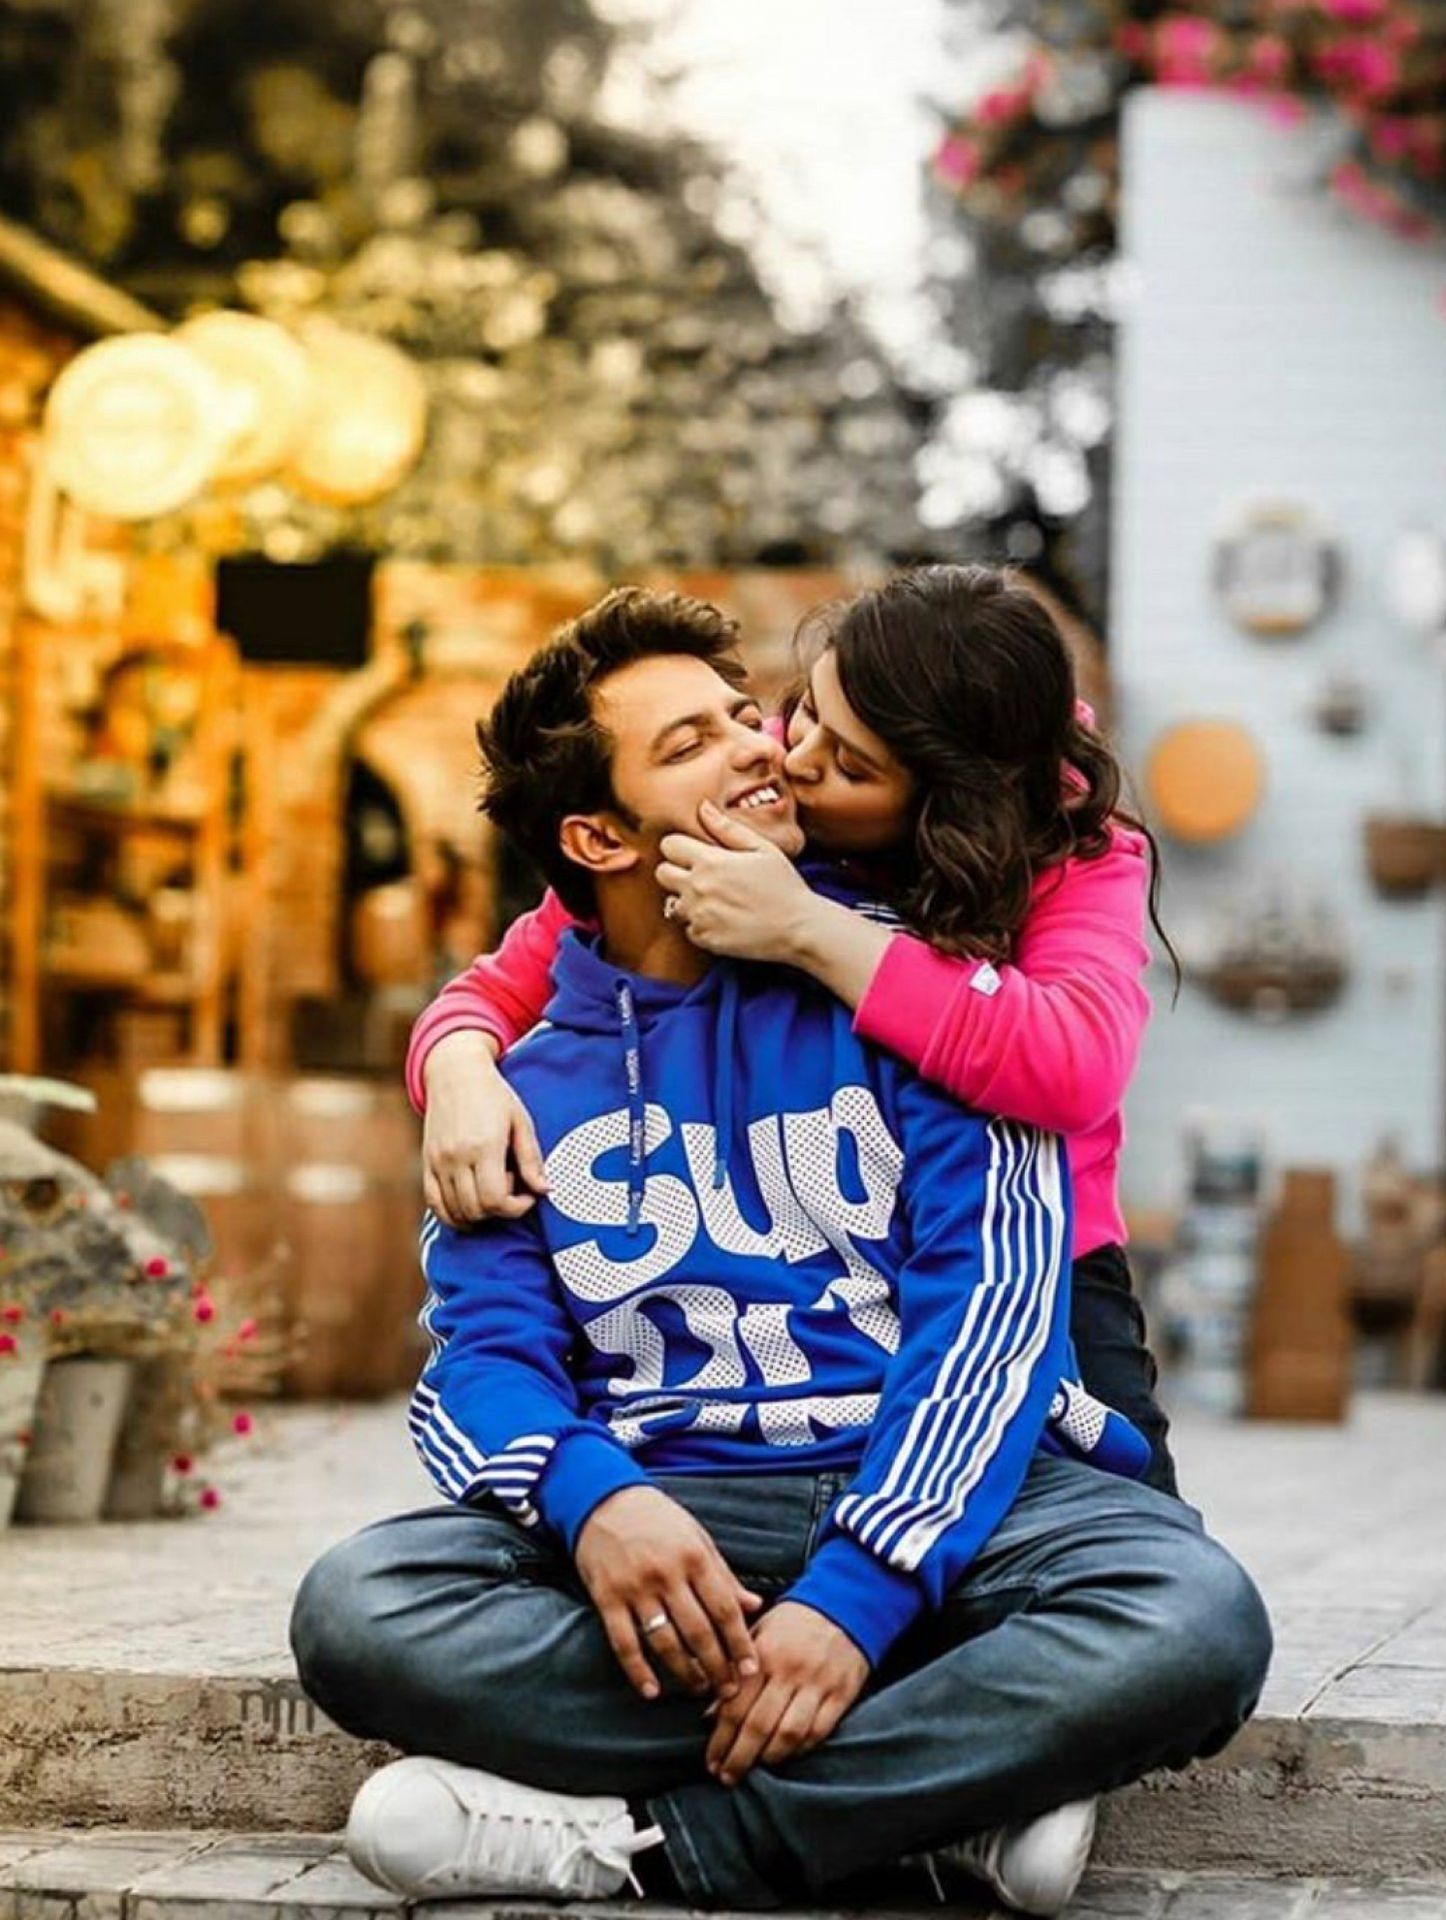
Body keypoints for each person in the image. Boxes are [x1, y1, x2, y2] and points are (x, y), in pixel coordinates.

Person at [292, 588, 1271, 1913]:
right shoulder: (526, 1085)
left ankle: (648, 1845)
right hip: (678, 1493)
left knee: (1189, 1616)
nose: (768, 749)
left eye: (753, 719)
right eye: (698, 740)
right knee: (359, 1610)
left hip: (931, 1456)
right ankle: (941, 1794)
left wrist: (856, 1599)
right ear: (600, 835)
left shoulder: (936, 989)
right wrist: (595, 1501)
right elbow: (480, 1366)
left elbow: (989, 1314)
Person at [407, 564, 1181, 1494]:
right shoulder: (751, 785)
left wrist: (810, 928)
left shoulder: (1069, 849)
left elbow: (1073, 1063)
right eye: (801, 711)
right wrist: (457, 1066)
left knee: (1146, 1542)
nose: (792, 760)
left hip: (1030, 1266)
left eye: (851, 765)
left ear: (946, 800)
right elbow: (530, 966)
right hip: (781, 1260)